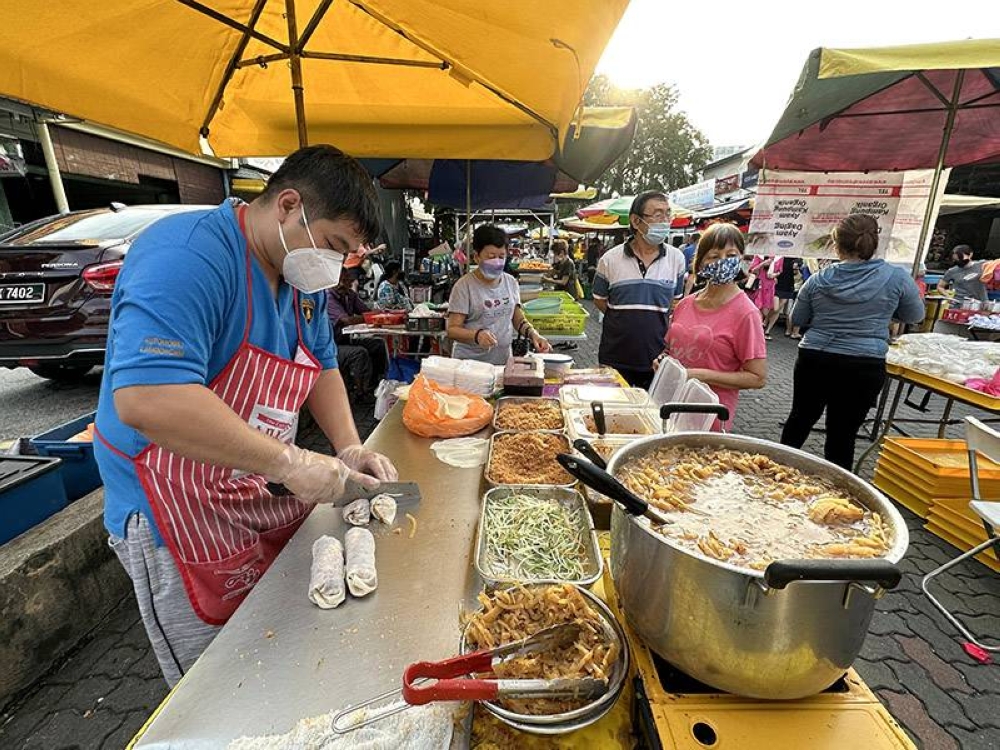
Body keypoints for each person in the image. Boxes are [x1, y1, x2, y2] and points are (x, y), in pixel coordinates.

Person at [93, 145, 398, 686]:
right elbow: (146, 397)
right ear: (286, 206)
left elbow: (321, 363)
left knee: (280, 641)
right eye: (332, 245)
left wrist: (349, 446)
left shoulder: (301, 282)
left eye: (347, 255)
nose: (334, 265)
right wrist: (289, 462)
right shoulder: (187, 256)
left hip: (248, 479)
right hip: (172, 500)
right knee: (217, 681)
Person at [780, 214, 925, 470]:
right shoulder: (898, 278)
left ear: (836, 245)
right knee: (843, 434)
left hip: (816, 358)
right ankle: (838, 496)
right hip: (864, 363)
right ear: (875, 241)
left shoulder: (818, 280)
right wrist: (884, 312)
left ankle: (774, 474)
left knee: (799, 421)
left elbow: (798, 318)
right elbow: (915, 315)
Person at [655, 223, 767, 431]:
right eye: (714, 256)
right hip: (669, 408)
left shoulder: (746, 313)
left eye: (731, 254)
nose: (723, 262)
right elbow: (672, 350)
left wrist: (700, 375)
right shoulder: (686, 304)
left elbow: (757, 377)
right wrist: (663, 361)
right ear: (701, 262)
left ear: (741, 259)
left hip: (709, 418)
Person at [593, 191, 687, 389]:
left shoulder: (676, 259)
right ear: (636, 221)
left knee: (649, 415)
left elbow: (675, 303)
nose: (665, 220)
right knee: (612, 415)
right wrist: (625, 319)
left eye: (667, 214)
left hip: (656, 359)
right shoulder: (610, 259)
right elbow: (600, 300)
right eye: (658, 214)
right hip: (615, 358)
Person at [447, 224, 551, 364]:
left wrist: (534, 334)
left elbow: (518, 319)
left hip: (502, 362)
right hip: (469, 365)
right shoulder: (464, 286)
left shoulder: (511, 282)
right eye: (491, 256)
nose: (497, 261)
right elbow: (452, 330)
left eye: (501, 256)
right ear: (477, 257)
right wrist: (477, 336)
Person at [328, 268, 389, 400]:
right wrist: (370, 317)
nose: (342, 284)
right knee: (359, 353)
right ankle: (361, 392)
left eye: (345, 280)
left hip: (346, 340)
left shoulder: (350, 295)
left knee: (378, 344)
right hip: (332, 346)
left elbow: (366, 311)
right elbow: (346, 320)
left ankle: (377, 383)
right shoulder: (329, 297)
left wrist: (375, 314)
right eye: (338, 281)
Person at [747, 255, 783, 339]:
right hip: (758, 285)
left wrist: (774, 275)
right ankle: (755, 332)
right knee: (757, 309)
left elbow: (780, 271)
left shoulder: (780, 257)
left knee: (765, 312)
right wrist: (763, 263)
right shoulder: (759, 255)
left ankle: (757, 330)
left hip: (770, 287)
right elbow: (752, 270)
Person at [774, 257, 804, 338]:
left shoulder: (799, 270)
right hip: (787, 288)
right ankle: (789, 330)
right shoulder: (784, 262)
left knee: (788, 312)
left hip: (791, 290)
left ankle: (789, 330)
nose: (794, 270)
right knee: (785, 311)